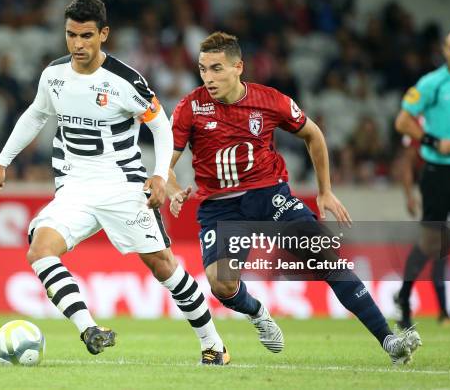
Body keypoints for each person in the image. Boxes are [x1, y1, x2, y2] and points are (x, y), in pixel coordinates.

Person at [0, 0, 229, 365]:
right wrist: (1, 162)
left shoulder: (125, 81)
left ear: (104, 34)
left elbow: (161, 128)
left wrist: (160, 176)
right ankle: (89, 329)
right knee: (39, 249)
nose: (77, 44)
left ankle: (213, 345)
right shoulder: (54, 76)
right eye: (71, 35)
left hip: (122, 187)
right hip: (74, 189)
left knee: (164, 265)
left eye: (85, 36)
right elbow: (36, 114)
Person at [167, 31, 421, 365]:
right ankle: (258, 313)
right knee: (222, 285)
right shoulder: (190, 107)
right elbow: (164, 165)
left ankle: (389, 340)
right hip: (220, 207)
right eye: (203, 69)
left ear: (238, 67)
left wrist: (325, 190)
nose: (208, 78)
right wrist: (171, 190)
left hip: (269, 194)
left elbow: (312, 134)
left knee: (325, 255)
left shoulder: (269, 100)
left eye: (216, 69)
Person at [395, 28, 450, 327]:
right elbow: (402, 122)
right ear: (444, 50)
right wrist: (435, 142)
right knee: (432, 243)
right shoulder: (431, 84)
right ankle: (404, 296)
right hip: (438, 172)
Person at [394, 117, 450, 326]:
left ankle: (407, 296)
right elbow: (408, 162)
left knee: (438, 245)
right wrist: (409, 195)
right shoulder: (420, 121)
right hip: (434, 184)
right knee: (435, 244)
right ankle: (440, 309)